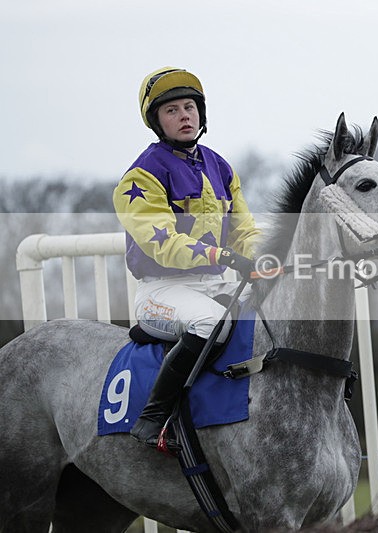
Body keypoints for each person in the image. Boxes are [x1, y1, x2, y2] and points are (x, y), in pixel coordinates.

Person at [113, 67, 260, 451]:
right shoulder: (141, 176)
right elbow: (162, 242)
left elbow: (244, 230)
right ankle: (154, 418)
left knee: (270, 311)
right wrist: (223, 255)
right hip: (162, 290)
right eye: (172, 110)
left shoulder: (220, 166)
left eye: (190, 107)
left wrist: (264, 258)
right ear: (157, 121)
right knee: (212, 322)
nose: (184, 116)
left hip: (214, 282)